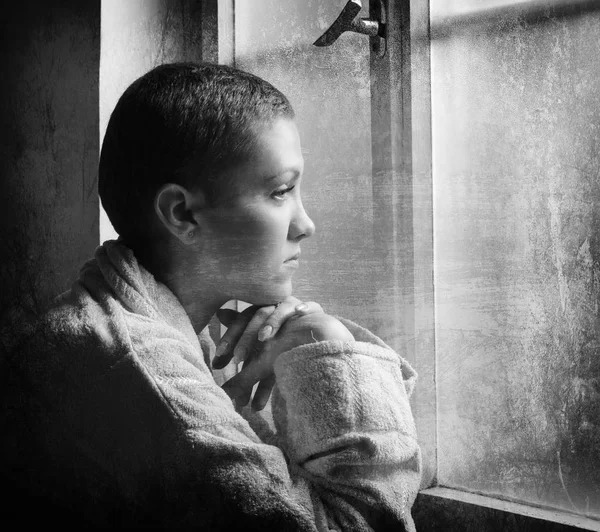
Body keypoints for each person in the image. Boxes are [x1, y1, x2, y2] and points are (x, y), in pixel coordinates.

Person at [0, 62, 421, 530]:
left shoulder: (116, 323)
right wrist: (328, 347)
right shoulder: (141, 368)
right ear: (181, 213)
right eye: (281, 192)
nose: (306, 225)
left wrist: (303, 361)